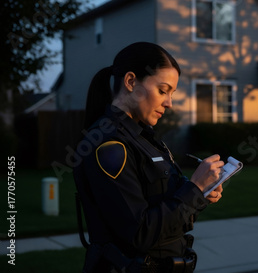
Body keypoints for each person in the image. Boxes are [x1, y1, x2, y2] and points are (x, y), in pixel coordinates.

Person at [73, 42, 224, 273]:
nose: (169, 102)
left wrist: (201, 193)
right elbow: (139, 233)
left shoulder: (146, 139)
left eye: (172, 93)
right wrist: (194, 189)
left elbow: (166, 208)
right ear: (131, 82)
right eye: (163, 90)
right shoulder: (109, 145)